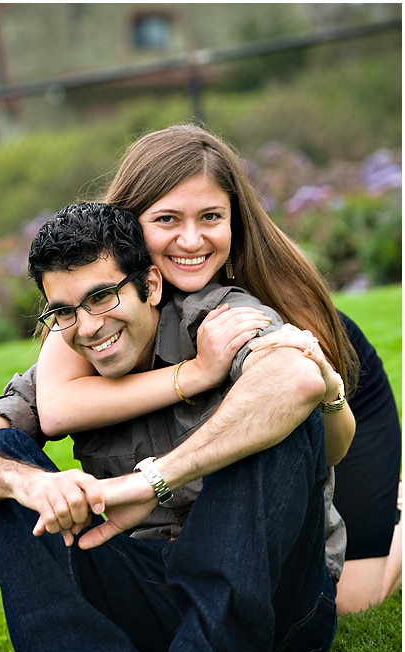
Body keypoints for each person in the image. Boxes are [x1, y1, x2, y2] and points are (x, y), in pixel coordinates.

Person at [0, 202, 351, 652]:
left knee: (272, 414)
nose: (88, 326)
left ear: (150, 284)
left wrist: (150, 482)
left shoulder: (219, 319)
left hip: (272, 596)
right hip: (151, 586)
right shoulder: (71, 355)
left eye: (102, 296)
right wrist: (24, 483)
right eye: (64, 310)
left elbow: (297, 380)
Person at [35, 124, 401, 614]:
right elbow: (56, 406)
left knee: (353, 601)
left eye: (211, 216)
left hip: (343, 390)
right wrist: (198, 373)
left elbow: (324, 439)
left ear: (235, 220)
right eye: (166, 218)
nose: (191, 240)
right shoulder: (100, 297)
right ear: (127, 223)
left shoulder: (264, 299)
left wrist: (323, 388)